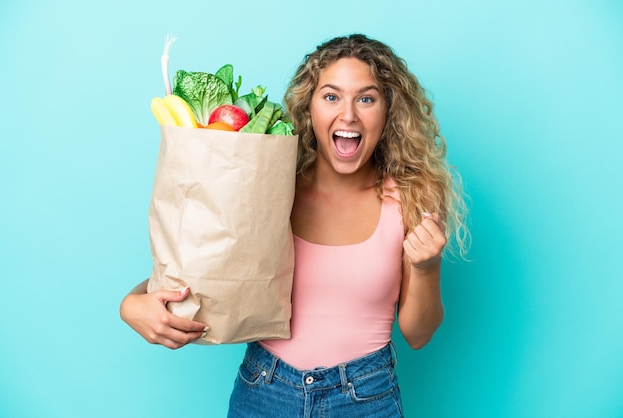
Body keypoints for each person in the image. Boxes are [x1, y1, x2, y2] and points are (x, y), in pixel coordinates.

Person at [120, 33, 469, 417]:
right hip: (265, 390)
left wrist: (426, 265)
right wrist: (131, 305)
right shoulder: (269, 185)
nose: (348, 114)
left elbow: (418, 335)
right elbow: (197, 269)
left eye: (366, 98)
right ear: (309, 106)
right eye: (331, 96)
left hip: (365, 397)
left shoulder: (411, 197)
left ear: (388, 111)